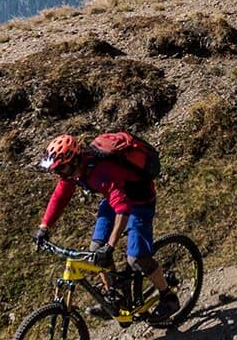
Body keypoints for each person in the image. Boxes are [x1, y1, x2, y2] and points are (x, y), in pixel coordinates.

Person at [33, 134, 179, 322]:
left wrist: (110, 246)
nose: (59, 173)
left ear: (75, 159)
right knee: (96, 251)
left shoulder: (102, 172)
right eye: (57, 170)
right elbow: (60, 196)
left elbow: (124, 210)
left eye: (61, 168)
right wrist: (44, 226)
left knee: (137, 258)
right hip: (114, 201)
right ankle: (114, 296)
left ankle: (168, 296)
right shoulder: (74, 171)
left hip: (139, 202)